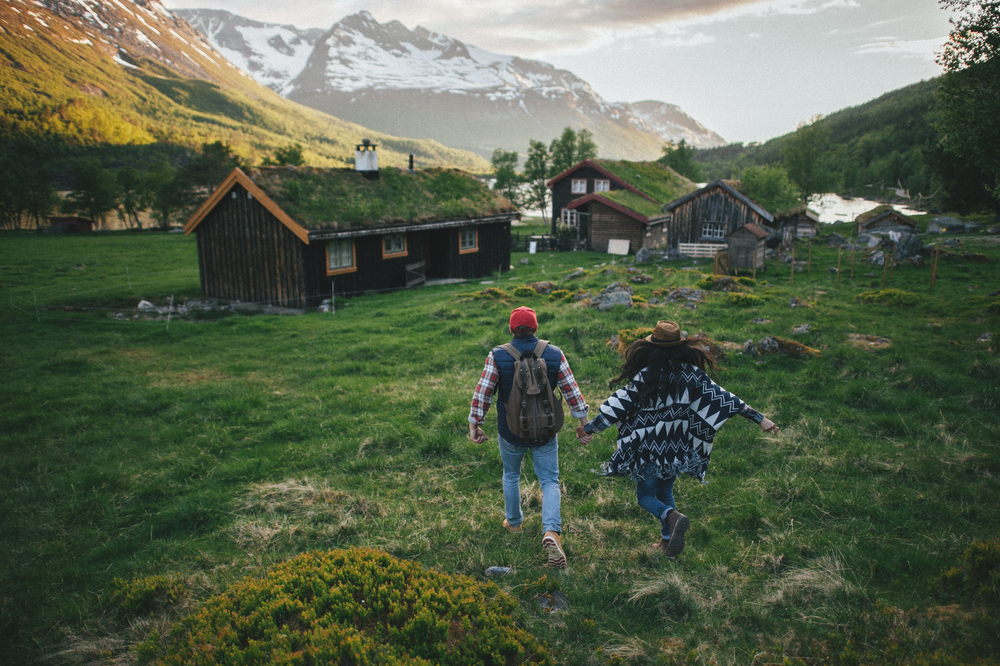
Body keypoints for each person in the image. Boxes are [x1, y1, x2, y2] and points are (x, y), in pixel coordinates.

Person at [577, 320, 777, 560]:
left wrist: (589, 428)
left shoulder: (645, 376)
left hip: (647, 449)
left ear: (652, 348)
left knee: (646, 497)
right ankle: (667, 543)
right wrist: (760, 418)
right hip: (676, 450)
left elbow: (618, 407)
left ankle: (671, 517)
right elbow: (726, 399)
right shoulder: (692, 375)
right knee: (665, 489)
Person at [469, 306, 590, 568]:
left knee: (511, 475)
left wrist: (475, 424)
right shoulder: (555, 353)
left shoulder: (497, 355)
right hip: (546, 431)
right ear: (536, 328)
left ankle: (514, 524)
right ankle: (551, 531)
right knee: (549, 480)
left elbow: (483, 393)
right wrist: (583, 424)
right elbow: (571, 391)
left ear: (511, 329)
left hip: (510, 430)